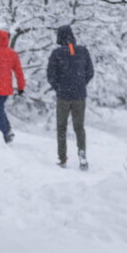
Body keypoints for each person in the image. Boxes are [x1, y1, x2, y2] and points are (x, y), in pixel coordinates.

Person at [46, 25, 94, 169]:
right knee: (79, 127)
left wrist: (59, 87)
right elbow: (90, 72)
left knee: (61, 127)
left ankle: (62, 158)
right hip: (79, 95)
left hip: (63, 96)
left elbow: (50, 75)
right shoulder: (83, 51)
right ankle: (82, 154)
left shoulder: (56, 54)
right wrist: (80, 84)